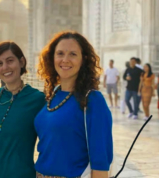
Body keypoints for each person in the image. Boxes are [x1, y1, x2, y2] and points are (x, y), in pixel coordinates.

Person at [35, 31, 113, 178]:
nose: (65, 59)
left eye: (73, 54)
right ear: (52, 58)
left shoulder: (93, 100)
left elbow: (100, 161)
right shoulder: (53, 95)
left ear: (83, 59)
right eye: (60, 53)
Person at [0, 41, 46, 178]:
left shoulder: (37, 99)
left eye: (10, 61)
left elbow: (49, 139)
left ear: (22, 62)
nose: (5, 67)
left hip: (22, 174)